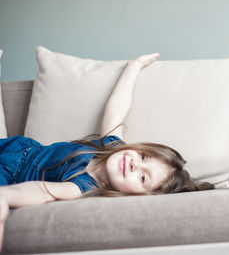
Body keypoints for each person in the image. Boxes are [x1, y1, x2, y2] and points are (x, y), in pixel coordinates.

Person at [0, 53, 214, 251]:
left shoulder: (83, 186)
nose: (134, 164)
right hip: (16, 146)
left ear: (136, 196)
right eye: (143, 156)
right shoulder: (112, 146)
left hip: (6, 175)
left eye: (142, 177)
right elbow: (116, 109)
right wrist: (134, 67)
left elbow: (43, 190)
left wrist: (6, 196)